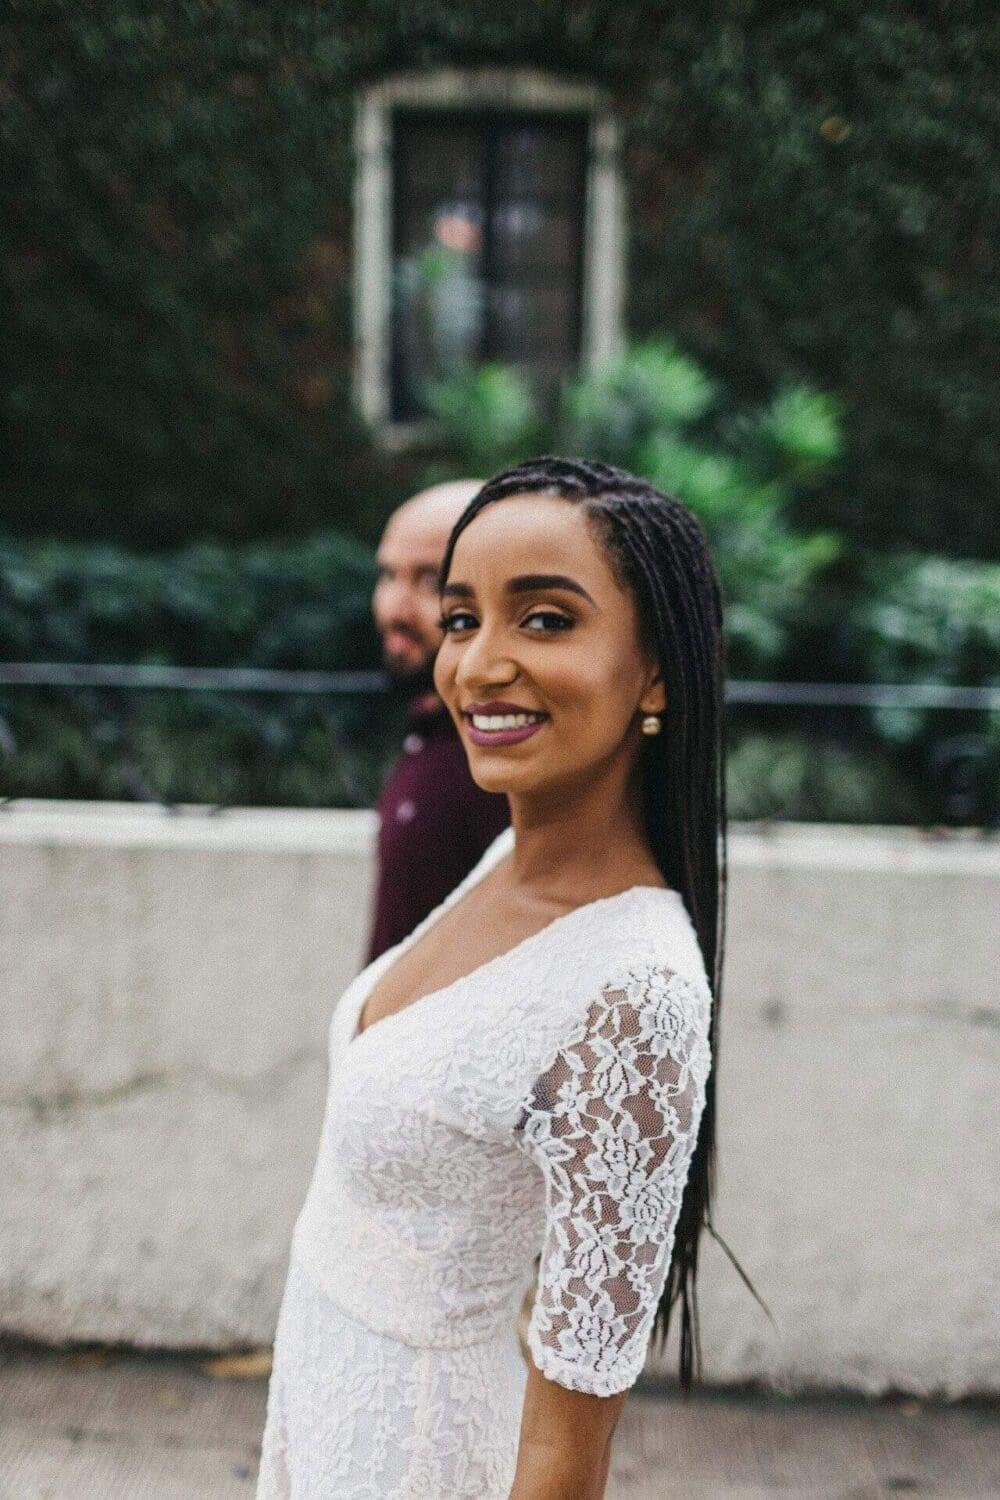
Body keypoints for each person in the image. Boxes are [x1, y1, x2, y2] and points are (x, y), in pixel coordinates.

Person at [257, 457, 728, 1500]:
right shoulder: (501, 860)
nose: (478, 664)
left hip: (422, 1456)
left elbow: (567, 1455)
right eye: (462, 618)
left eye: (547, 620)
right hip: (330, 1416)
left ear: (655, 671)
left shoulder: (634, 991)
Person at [368, 479, 510, 960]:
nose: (394, 608)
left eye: (430, 581)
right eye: (388, 576)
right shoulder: (430, 727)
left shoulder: (504, 756)